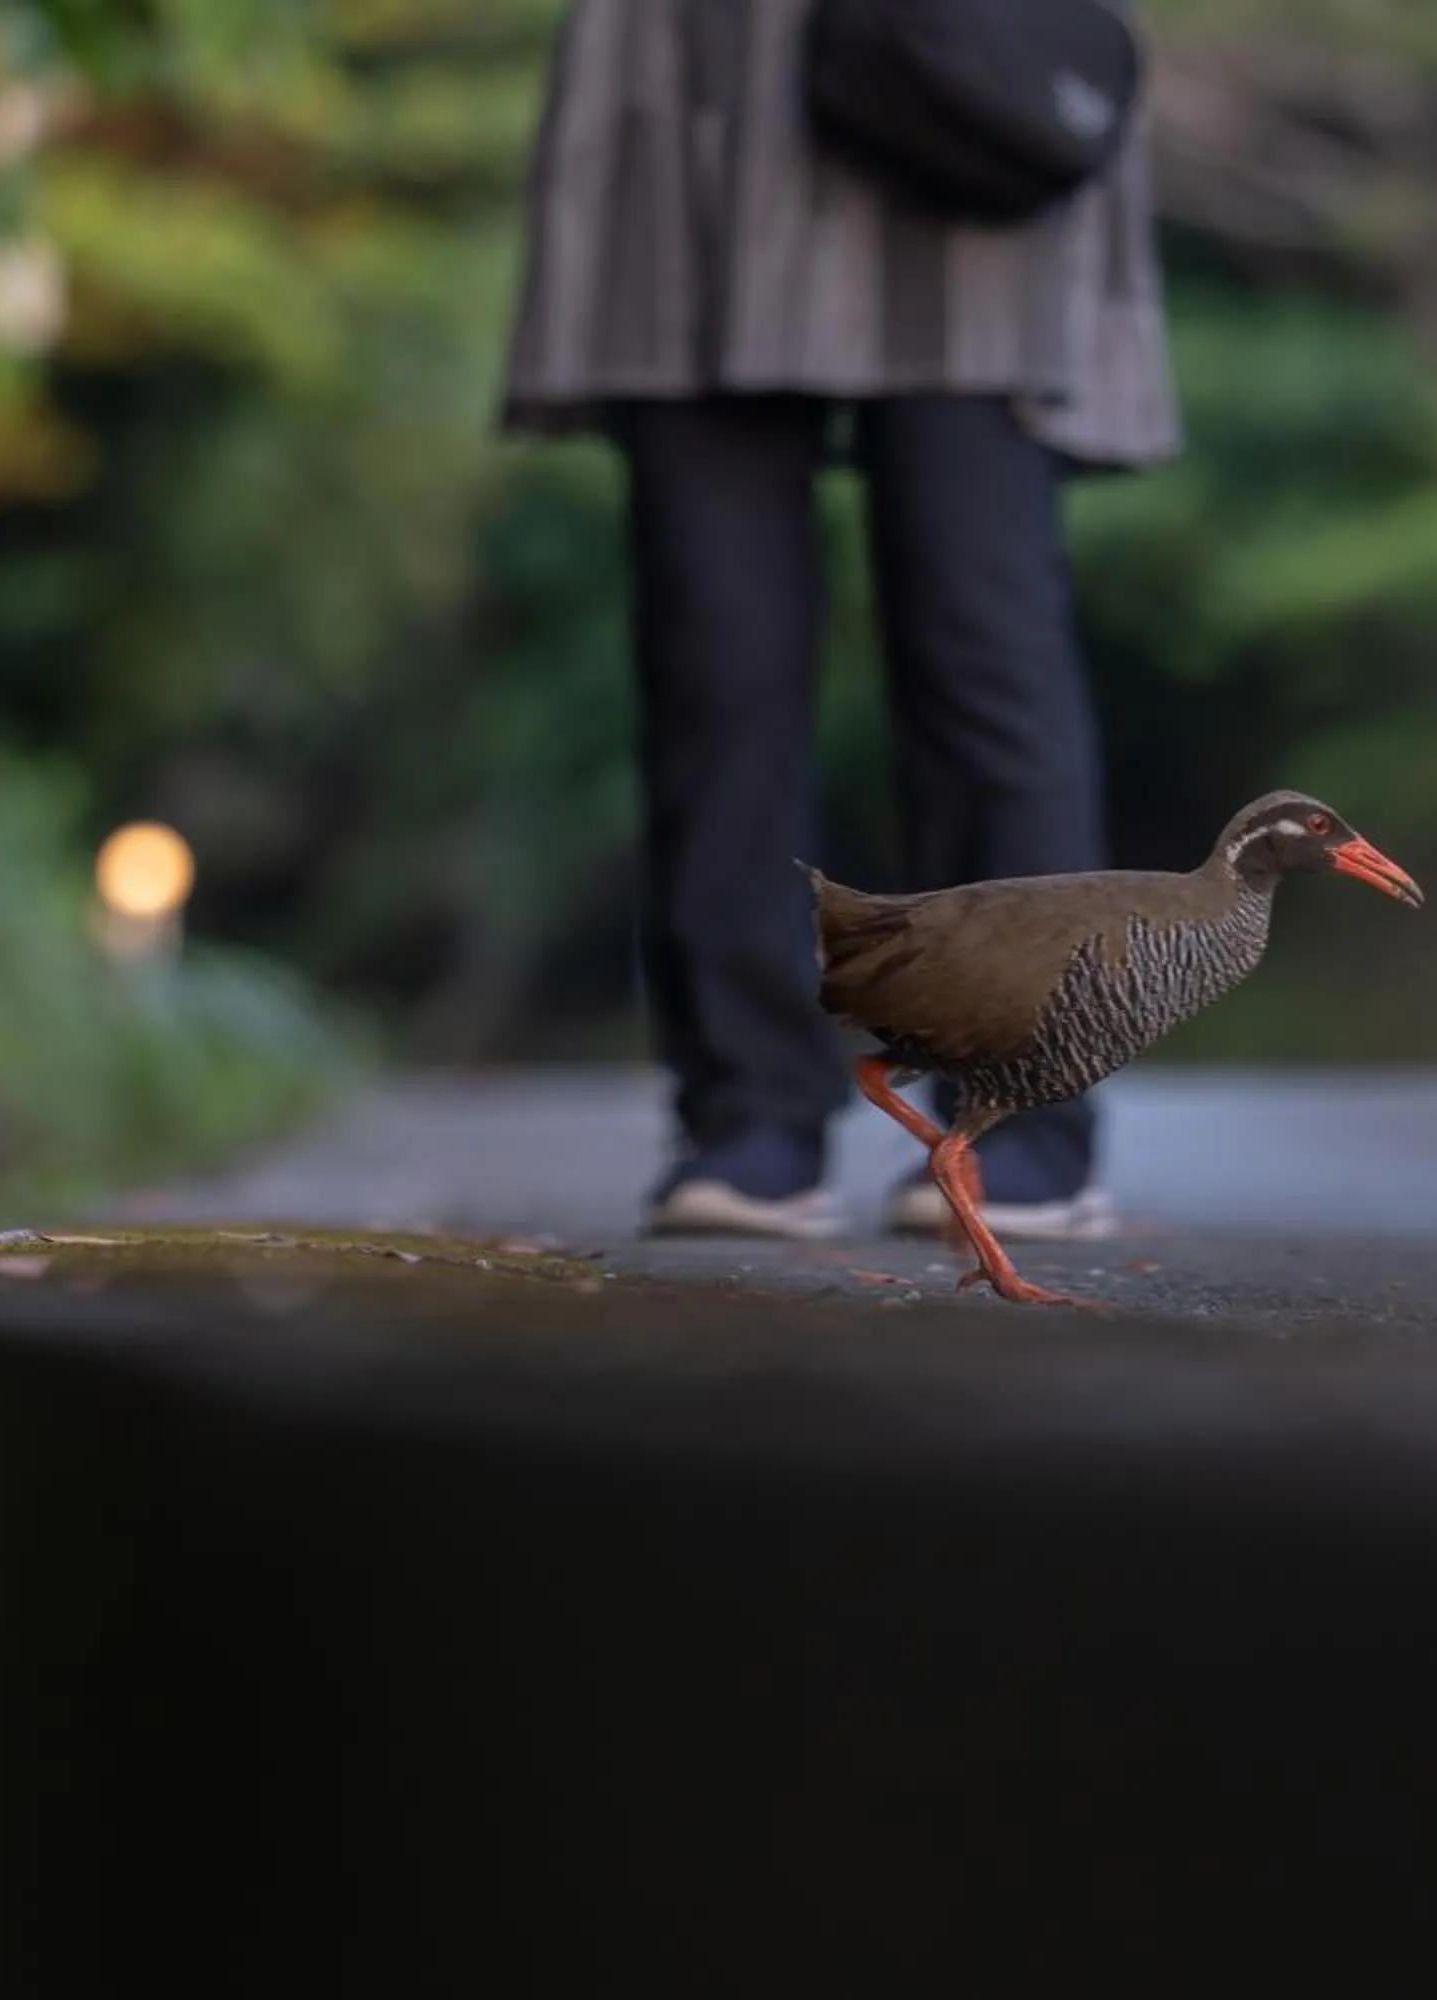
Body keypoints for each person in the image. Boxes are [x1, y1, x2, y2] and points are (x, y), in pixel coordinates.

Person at [499, 0, 1180, 1243]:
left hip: (958, 107)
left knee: (981, 651)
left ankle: (1024, 1114)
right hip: (692, 115)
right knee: (714, 659)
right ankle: (746, 1118)